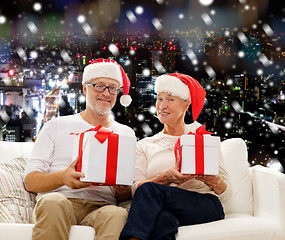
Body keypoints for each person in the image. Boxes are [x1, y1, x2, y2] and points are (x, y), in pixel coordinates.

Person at [24, 58, 134, 240]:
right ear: (85, 88)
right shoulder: (56, 125)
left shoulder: (126, 133)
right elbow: (30, 182)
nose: (106, 93)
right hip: (60, 200)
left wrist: (122, 188)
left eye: (112, 88)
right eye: (99, 86)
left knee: (117, 214)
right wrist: (63, 178)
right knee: (53, 202)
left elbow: (124, 196)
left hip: (101, 207)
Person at [120, 73, 232, 240]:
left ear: (186, 105)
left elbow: (227, 193)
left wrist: (213, 180)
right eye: (159, 99)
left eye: (170, 99)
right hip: (163, 207)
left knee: (150, 190)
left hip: (204, 205)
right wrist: (166, 178)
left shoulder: (200, 138)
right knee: (163, 220)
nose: (162, 106)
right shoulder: (145, 145)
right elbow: (135, 190)